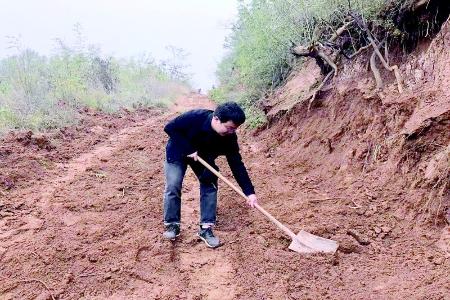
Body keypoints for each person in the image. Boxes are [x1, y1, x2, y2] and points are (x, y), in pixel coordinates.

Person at [162, 101, 258, 248]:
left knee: (210, 182)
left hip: (202, 157)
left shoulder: (230, 138)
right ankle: (172, 224)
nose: (232, 132)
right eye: (229, 128)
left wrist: (249, 192)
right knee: (173, 184)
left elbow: (237, 164)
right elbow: (169, 128)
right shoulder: (195, 117)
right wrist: (188, 148)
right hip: (178, 150)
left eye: (235, 129)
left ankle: (206, 229)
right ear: (216, 119)